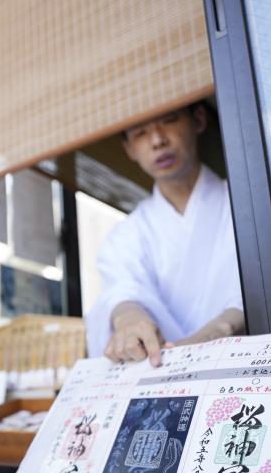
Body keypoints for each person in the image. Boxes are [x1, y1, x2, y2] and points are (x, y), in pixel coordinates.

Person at [85, 103, 245, 367]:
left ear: (199, 120)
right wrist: (128, 320)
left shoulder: (247, 203)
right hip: (163, 371)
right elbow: (123, 289)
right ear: (129, 149)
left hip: (244, 360)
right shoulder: (126, 234)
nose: (157, 140)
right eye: (140, 134)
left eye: (169, 120)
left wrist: (222, 329)